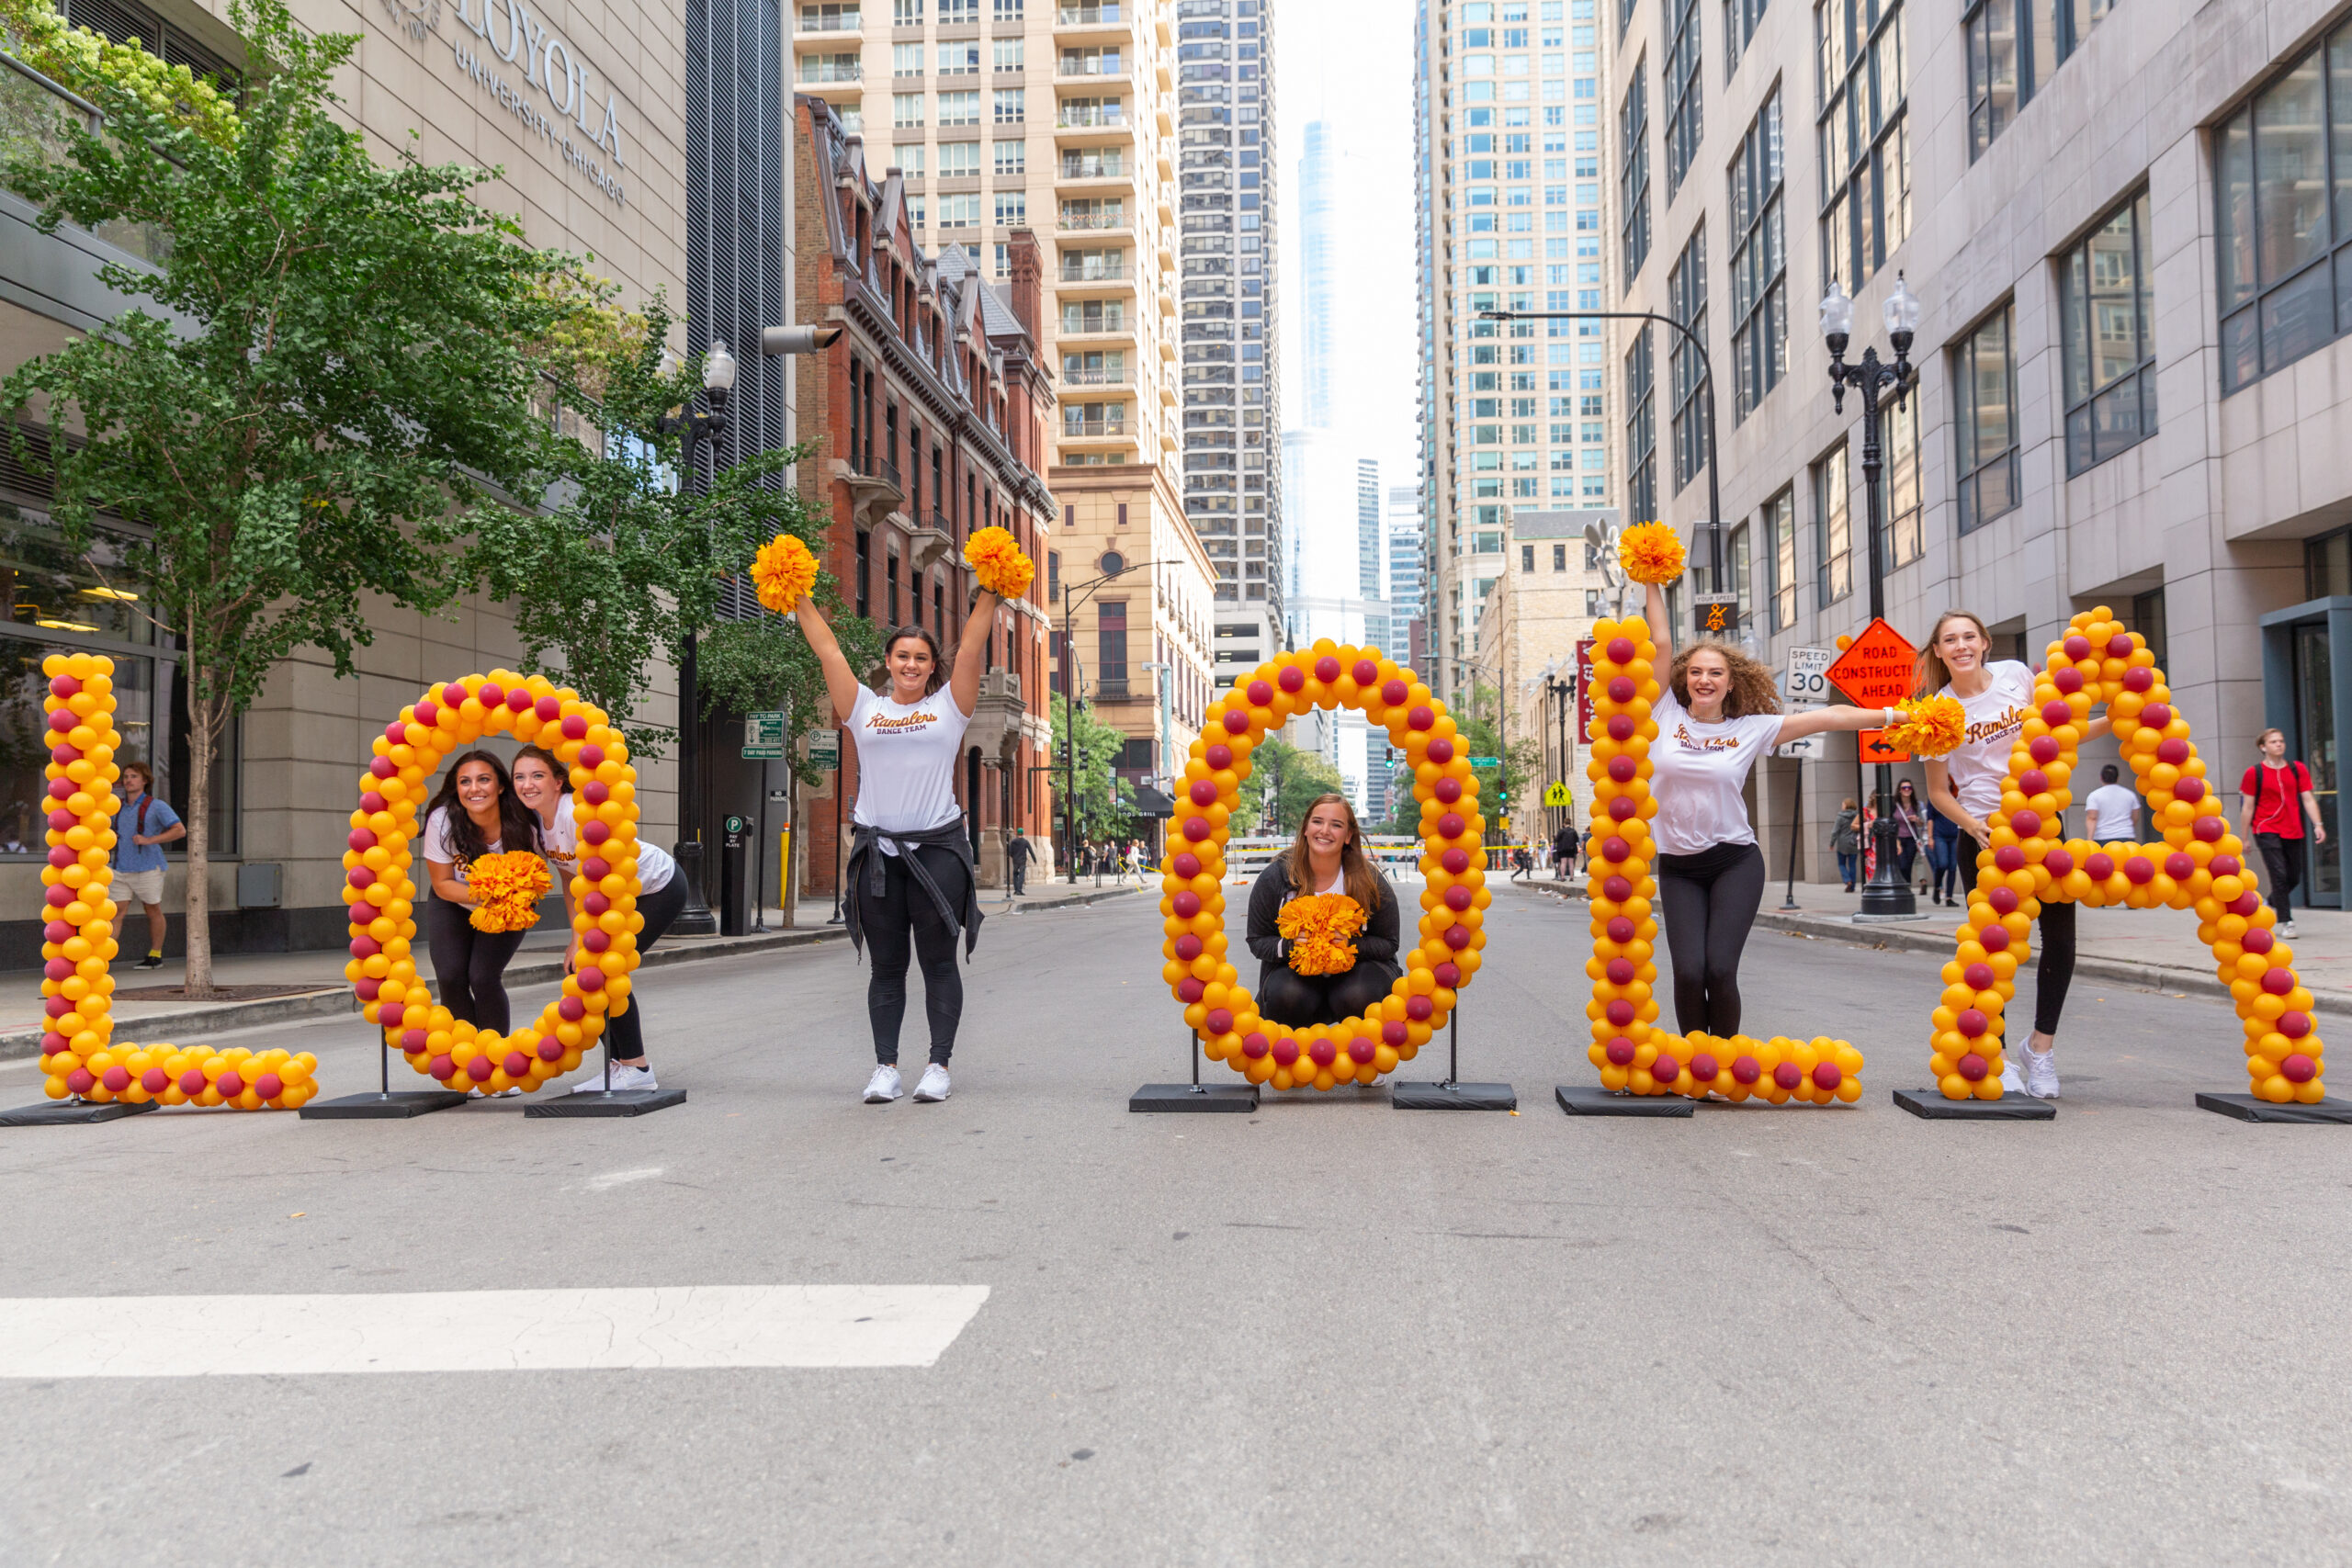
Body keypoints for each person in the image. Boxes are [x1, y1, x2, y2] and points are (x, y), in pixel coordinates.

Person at [1641, 581, 1893, 1038]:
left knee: (1719, 969)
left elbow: (1831, 718)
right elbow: (1660, 641)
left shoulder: (1750, 729)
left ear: (1731, 682)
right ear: (1684, 679)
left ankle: (1725, 1058)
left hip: (1734, 861)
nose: (1704, 680)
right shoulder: (1663, 714)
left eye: (1715, 673)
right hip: (1678, 867)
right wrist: (1651, 578)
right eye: (1696, 672)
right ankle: (1699, 1068)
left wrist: (1899, 717)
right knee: (1689, 972)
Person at [794, 583, 995, 1106]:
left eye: (921, 658)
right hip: (877, 856)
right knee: (886, 967)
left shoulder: (951, 707)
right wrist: (795, 596)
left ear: (932, 668)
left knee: (938, 963)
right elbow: (828, 650)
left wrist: (992, 593)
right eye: (902, 656)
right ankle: (885, 1068)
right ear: (888, 661)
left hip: (937, 854)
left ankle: (938, 1066)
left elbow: (970, 648)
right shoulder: (862, 707)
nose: (911, 664)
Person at [1919, 609, 2110, 1100]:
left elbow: (2057, 733)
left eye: (1968, 636)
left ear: (1984, 642)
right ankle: (1996, 1054)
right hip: (1986, 837)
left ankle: (2040, 1050)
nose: (1960, 646)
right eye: (1949, 640)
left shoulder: (2017, 676)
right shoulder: (1936, 712)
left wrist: (2116, 719)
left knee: (2060, 941)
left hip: (2044, 824)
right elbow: (1939, 792)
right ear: (1938, 652)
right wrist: (1972, 825)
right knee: (1991, 954)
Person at [512, 745, 685, 1095]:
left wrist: (587, 939)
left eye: (537, 775)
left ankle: (637, 1067)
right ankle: (619, 1066)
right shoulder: (536, 824)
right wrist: (576, 937)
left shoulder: (575, 813)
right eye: (519, 777)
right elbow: (568, 877)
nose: (527, 784)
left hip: (656, 887)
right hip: (608, 896)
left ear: (559, 782)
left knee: (605, 971)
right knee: (588, 974)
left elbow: (602, 875)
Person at [1245, 793, 1402, 1035]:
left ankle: (1366, 1054)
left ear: (1348, 836)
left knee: (1357, 993)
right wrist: (1290, 946)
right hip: (1295, 972)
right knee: (1288, 994)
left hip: (1358, 971)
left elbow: (1390, 943)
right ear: (1306, 828)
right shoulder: (1276, 876)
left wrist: (1351, 945)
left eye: (1336, 825)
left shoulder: (1368, 879)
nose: (1325, 830)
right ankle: (1294, 1057)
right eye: (1318, 822)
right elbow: (1256, 940)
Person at [420, 749, 540, 1045]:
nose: (474, 789)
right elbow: (443, 883)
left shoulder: (525, 821)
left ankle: (496, 1060)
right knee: (450, 976)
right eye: (465, 782)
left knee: (483, 977)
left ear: (500, 786)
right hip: (452, 900)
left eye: (483, 780)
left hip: (511, 906)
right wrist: (492, 894)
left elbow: (538, 876)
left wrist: (508, 899)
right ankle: (469, 1061)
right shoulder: (443, 820)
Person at [2240, 728, 2327, 940]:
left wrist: (2318, 824)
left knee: (2294, 876)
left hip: (2292, 828)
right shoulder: (2254, 773)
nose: (2279, 744)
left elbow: (2307, 798)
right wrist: (2244, 838)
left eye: (2281, 741)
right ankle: (2287, 921)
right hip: (2265, 828)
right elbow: (2248, 807)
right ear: (2263, 747)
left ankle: (2270, 902)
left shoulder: (2297, 769)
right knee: (2278, 874)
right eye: (2273, 742)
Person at [109, 759, 185, 970]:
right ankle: (103, 957)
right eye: (126, 776)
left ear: (145, 781)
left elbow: (179, 830)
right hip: (118, 867)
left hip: (148, 866)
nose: (128, 780)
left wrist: (149, 840)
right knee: (116, 911)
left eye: (134, 776)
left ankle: (155, 954)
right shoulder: (116, 807)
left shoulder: (157, 806)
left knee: (152, 909)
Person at [2084, 762, 2140, 842]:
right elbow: (2135, 817)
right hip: (2126, 836)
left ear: (2101, 778)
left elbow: (2092, 818)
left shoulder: (2094, 795)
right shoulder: (2130, 795)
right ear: (2117, 778)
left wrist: (2089, 840)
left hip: (2102, 838)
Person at [1892, 778, 1928, 893]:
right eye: (1904, 788)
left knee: (1908, 865)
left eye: (1909, 788)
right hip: (1898, 839)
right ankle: (1904, 886)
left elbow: (1923, 822)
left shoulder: (1917, 804)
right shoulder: (1894, 805)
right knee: (1901, 864)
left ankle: (1906, 888)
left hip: (1912, 839)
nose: (1907, 790)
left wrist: (1916, 819)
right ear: (1899, 790)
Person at [1928, 806, 1963, 907]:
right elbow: (1930, 818)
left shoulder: (1956, 794)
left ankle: (1949, 897)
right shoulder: (1935, 794)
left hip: (1955, 835)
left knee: (1952, 867)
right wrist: (1930, 838)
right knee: (1942, 864)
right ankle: (1937, 887)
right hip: (1939, 835)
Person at [1832, 798, 1861, 892]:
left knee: (1841, 864)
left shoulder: (1840, 816)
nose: (1842, 806)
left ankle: (1847, 880)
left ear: (1846, 806)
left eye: (1843, 804)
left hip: (1842, 843)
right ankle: (1852, 887)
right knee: (1852, 865)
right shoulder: (1858, 815)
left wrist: (1832, 843)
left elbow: (1835, 831)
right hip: (1854, 842)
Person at [1005, 831, 1033, 895]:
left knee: (1015, 874)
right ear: (1022, 834)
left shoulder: (1013, 841)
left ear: (1017, 834)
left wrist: (1014, 857)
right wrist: (1034, 859)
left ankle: (1016, 890)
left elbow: (1010, 852)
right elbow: (1030, 850)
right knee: (1021, 875)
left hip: (1015, 860)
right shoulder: (1025, 841)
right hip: (1022, 861)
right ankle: (1019, 890)